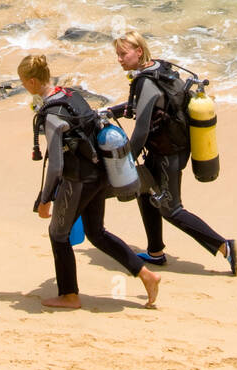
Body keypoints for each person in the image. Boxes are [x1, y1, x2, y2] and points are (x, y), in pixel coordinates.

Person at [18, 53, 160, 311]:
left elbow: (57, 166)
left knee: (58, 234)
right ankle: (146, 275)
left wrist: (45, 199)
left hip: (79, 180)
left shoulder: (51, 114)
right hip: (101, 174)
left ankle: (69, 295)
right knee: (96, 233)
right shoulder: (72, 95)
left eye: (23, 82)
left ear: (31, 82)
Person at [112, 31, 237, 274]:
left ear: (139, 52)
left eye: (123, 53)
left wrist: (126, 160)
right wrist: (112, 111)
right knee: (144, 190)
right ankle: (155, 252)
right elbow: (146, 107)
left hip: (167, 154)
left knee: (172, 209)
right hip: (178, 146)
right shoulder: (162, 69)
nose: (119, 59)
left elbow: (140, 131)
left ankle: (224, 246)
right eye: (117, 54)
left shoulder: (146, 82)